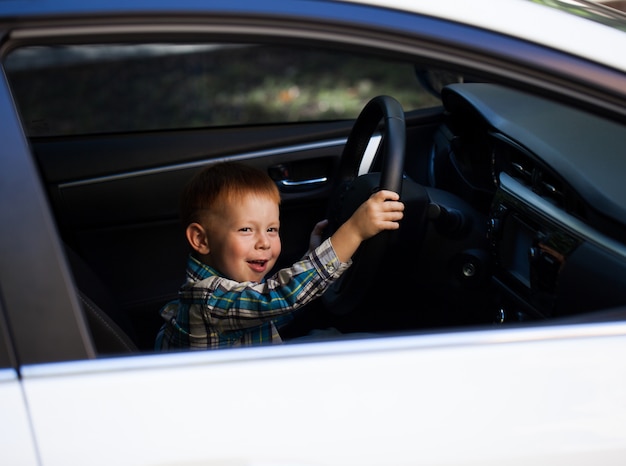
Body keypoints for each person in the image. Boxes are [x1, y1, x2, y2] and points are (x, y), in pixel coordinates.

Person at [155, 161, 404, 350]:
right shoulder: (209, 299)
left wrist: (312, 256)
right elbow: (282, 296)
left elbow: (273, 310)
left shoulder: (232, 289)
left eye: (272, 229)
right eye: (246, 230)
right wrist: (353, 232)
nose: (264, 242)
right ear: (201, 240)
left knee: (332, 337)